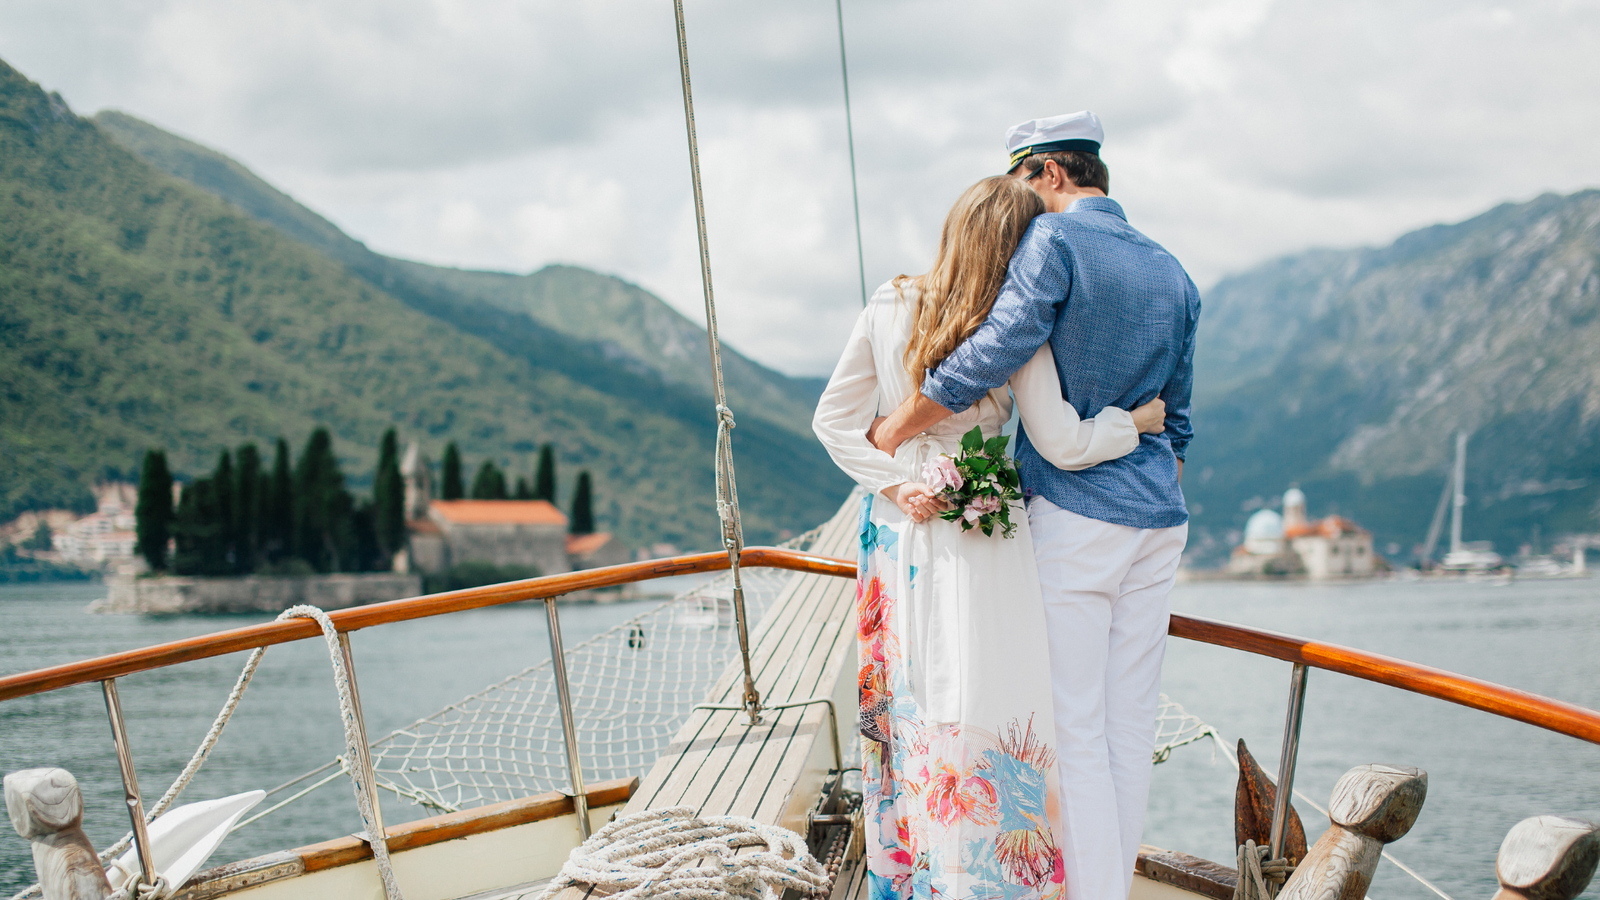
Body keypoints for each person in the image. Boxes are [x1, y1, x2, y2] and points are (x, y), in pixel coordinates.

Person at [871, 111, 1200, 900]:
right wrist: (1148, 485)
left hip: (1076, 514)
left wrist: (898, 426)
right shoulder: (1173, 269)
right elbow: (1178, 423)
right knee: (1127, 723)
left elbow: (1001, 342)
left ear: (1050, 171)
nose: (1017, 206)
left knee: (1072, 726)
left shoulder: (1052, 244)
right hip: (1158, 525)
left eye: (1021, 181)